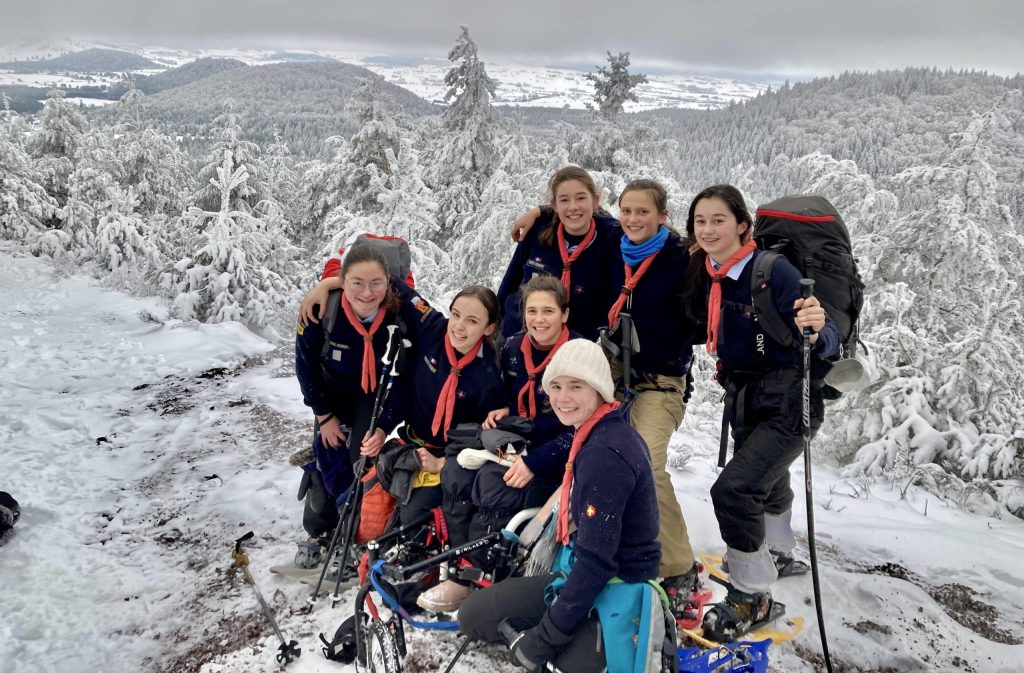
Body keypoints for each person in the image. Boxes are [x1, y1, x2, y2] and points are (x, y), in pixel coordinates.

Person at [682, 185, 838, 641]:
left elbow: (823, 336)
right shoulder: (708, 272)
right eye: (700, 222)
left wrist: (816, 328)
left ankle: (754, 595)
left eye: (718, 220)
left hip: (791, 401)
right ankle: (778, 550)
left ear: (743, 226)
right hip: (746, 396)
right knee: (768, 479)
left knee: (735, 490)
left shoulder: (773, 271)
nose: (708, 230)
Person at [458, 339, 661, 673]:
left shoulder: (604, 455)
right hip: (581, 572)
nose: (563, 398)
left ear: (599, 390)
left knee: (555, 658)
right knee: (474, 615)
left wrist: (543, 638)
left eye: (576, 386)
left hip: (617, 586)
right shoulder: (598, 432)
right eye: (556, 387)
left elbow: (598, 564)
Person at [416, 275, 576, 613]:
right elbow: (508, 391)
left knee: (493, 483)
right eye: (532, 310)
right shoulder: (514, 348)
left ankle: (479, 576)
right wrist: (505, 409)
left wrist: (536, 462)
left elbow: (584, 427)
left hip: (558, 456)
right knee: (458, 469)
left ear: (564, 314)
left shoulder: (576, 354)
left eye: (548, 311)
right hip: (517, 443)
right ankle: (458, 563)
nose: (539, 319)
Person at [605, 179, 702, 611]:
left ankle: (679, 567)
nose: (632, 219)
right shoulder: (615, 247)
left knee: (646, 461)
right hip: (613, 369)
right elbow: (570, 215)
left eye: (642, 211)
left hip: (660, 382)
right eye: (626, 210)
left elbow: (704, 318)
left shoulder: (682, 260)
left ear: (663, 216)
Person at [293, 244, 407, 564]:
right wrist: (324, 415)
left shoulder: (399, 316)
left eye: (375, 283)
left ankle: (354, 532)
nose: (367, 293)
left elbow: (403, 380)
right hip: (330, 393)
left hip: (372, 397)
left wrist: (384, 426)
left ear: (389, 283)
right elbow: (305, 366)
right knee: (325, 453)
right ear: (342, 280)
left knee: (361, 461)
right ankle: (319, 531)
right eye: (357, 282)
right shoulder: (322, 309)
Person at [496, 166, 620, 341]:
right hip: (517, 338)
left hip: (575, 349)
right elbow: (511, 278)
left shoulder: (610, 239)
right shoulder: (538, 230)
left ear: (595, 200)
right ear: (554, 205)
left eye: (581, 198)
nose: (573, 207)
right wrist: (494, 322)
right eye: (564, 200)